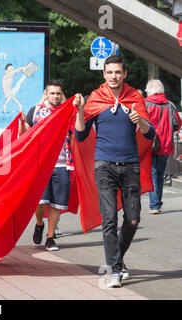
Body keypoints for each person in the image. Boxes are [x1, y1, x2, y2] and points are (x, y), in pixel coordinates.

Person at [75, 55, 155, 288]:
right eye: (109, 72)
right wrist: (80, 112)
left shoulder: (135, 98)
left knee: (132, 220)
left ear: (124, 74)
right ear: (104, 74)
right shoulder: (96, 98)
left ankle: (116, 259)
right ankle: (115, 269)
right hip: (104, 166)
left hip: (130, 165)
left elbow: (151, 135)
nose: (113, 76)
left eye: (118, 72)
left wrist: (140, 120)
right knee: (108, 219)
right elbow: (80, 135)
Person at [19, 80, 81, 251]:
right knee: (40, 202)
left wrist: (78, 108)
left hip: (62, 164)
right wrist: (20, 124)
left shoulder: (68, 111)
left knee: (56, 204)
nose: (55, 96)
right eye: (52, 93)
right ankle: (39, 223)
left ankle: (50, 237)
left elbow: (79, 130)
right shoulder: (35, 111)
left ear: (62, 95)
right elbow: (24, 135)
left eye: (58, 93)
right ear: (46, 94)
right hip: (40, 164)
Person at [144, 79, 182, 214]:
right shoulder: (170, 105)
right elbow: (177, 123)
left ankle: (154, 205)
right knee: (160, 174)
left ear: (149, 90)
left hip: (150, 144)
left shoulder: (145, 103)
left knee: (153, 174)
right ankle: (157, 203)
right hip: (166, 145)